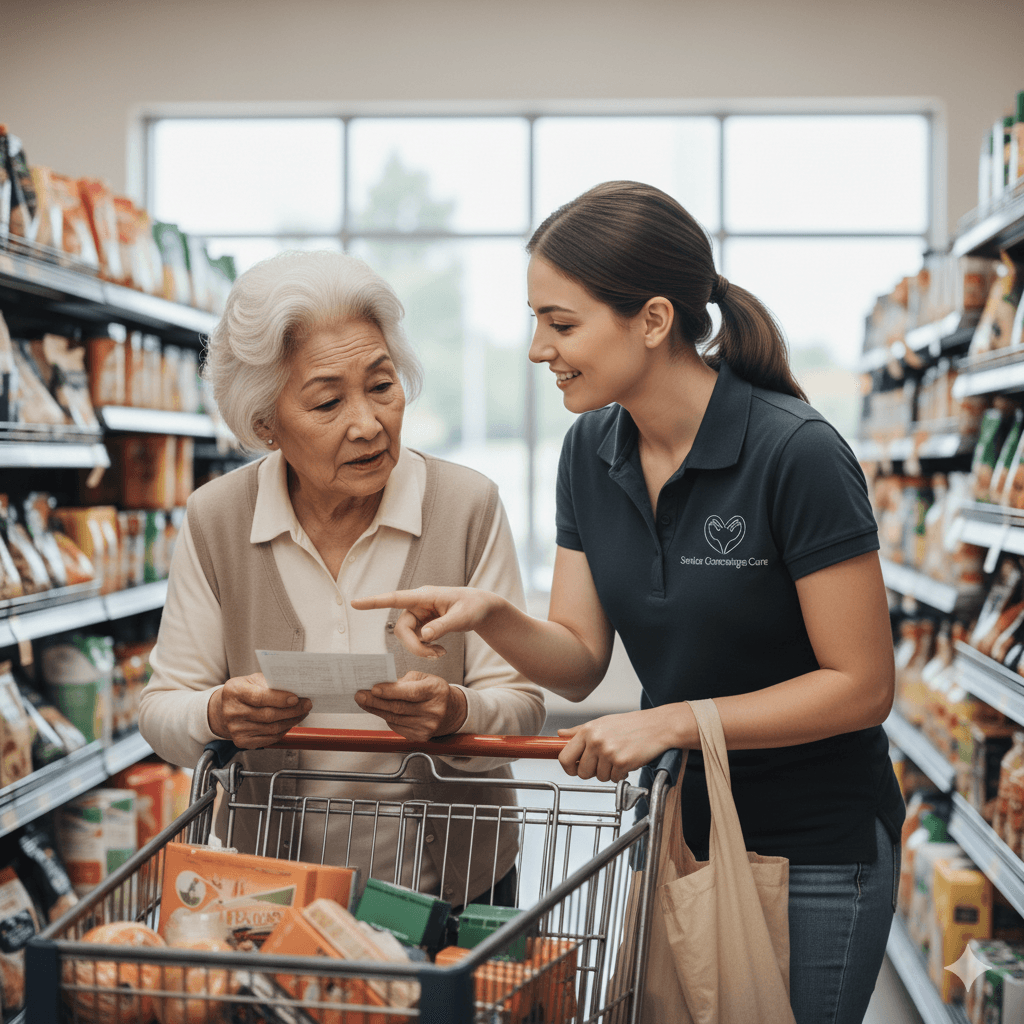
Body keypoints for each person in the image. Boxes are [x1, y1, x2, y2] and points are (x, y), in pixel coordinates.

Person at [352, 181, 905, 1024]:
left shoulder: (795, 455)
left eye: (561, 322)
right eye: (537, 320)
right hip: (679, 833)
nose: (539, 347)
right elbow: (579, 661)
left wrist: (676, 722)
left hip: (815, 851)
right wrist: (491, 614)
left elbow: (861, 685)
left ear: (652, 320)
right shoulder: (592, 449)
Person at [139, 249, 545, 910]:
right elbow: (162, 711)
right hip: (273, 893)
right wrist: (219, 712)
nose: (368, 423)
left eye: (381, 386)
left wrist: (455, 711)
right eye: (328, 402)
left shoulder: (467, 505)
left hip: (453, 887)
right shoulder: (216, 519)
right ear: (265, 424)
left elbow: (521, 703)